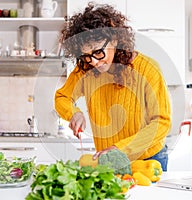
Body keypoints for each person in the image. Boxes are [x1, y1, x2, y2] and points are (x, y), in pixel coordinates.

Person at [54, 2, 171, 171]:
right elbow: (62, 97)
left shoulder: (148, 69)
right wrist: (74, 113)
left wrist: (120, 149)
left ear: (115, 40)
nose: (93, 62)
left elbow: (161, 122)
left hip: (147, 158)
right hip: (107, 158)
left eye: (98, 52)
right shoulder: (84, 70)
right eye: (86, 56)